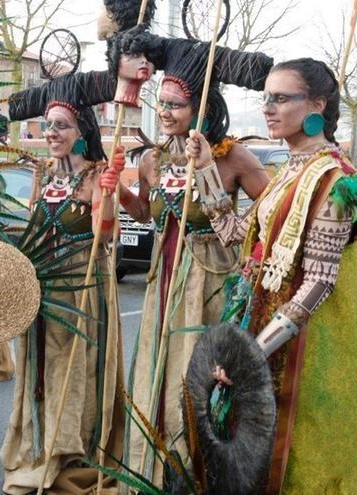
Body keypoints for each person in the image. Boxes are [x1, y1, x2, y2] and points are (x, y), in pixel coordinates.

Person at [187, 57, 357, 493]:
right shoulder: (288, 172)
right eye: (266, 98)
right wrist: (207, 169)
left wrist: (250, 355)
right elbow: (234, 235)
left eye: (281, 98)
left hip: (311, 351)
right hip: (260, 327)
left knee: (301, 462)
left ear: (318, 104)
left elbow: (318, 282)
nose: (269, 108)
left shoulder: (336, 181)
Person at [106, 33, 273, 483]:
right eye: (161, 103)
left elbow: (274, 210)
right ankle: (159, 471)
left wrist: (243, 247)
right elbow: (146, 213)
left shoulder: (231, 155)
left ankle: (202, 475)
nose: (164, 113)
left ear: (201, 107)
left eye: (176, 105)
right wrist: (118, 188)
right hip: (163, 277)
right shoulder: (152, 160)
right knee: (161, 374)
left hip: (210, 279)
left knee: (201, 375)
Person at [1, 78, 124, 494]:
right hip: (42, 289)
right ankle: (42, 443)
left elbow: (104, 238)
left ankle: (72, 448)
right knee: (43, 371)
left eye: (61, 126)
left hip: (82, 288)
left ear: (82, 133)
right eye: (47, 125)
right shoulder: (42, 174)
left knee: (75, 372)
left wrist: (106, 199)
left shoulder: (96, 177)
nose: (51, 133)